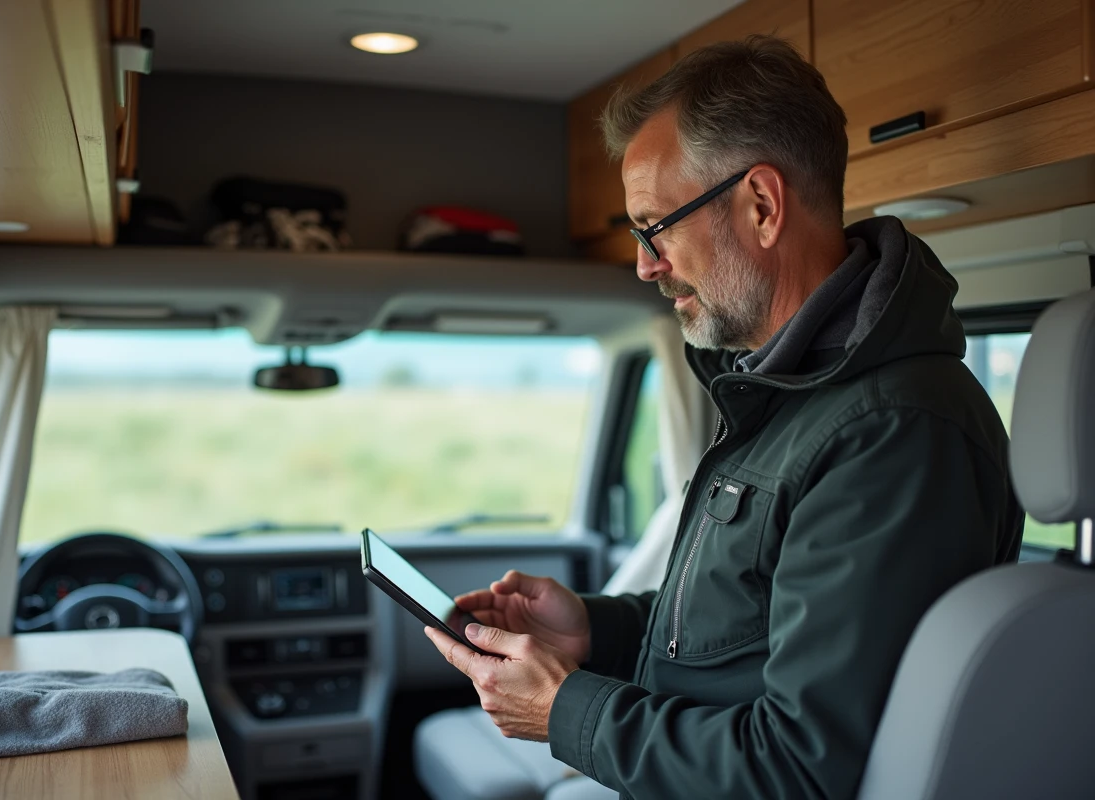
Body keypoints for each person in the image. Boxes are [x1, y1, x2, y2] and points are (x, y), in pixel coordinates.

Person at [424, 34, 1024, 799]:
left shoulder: (891, 432)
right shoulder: (788, 395)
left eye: (654, 226)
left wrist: (562, 710)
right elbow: (743, 634)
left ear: (762, 206)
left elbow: (800, 768)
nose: (645, 263)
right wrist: (593, 631)